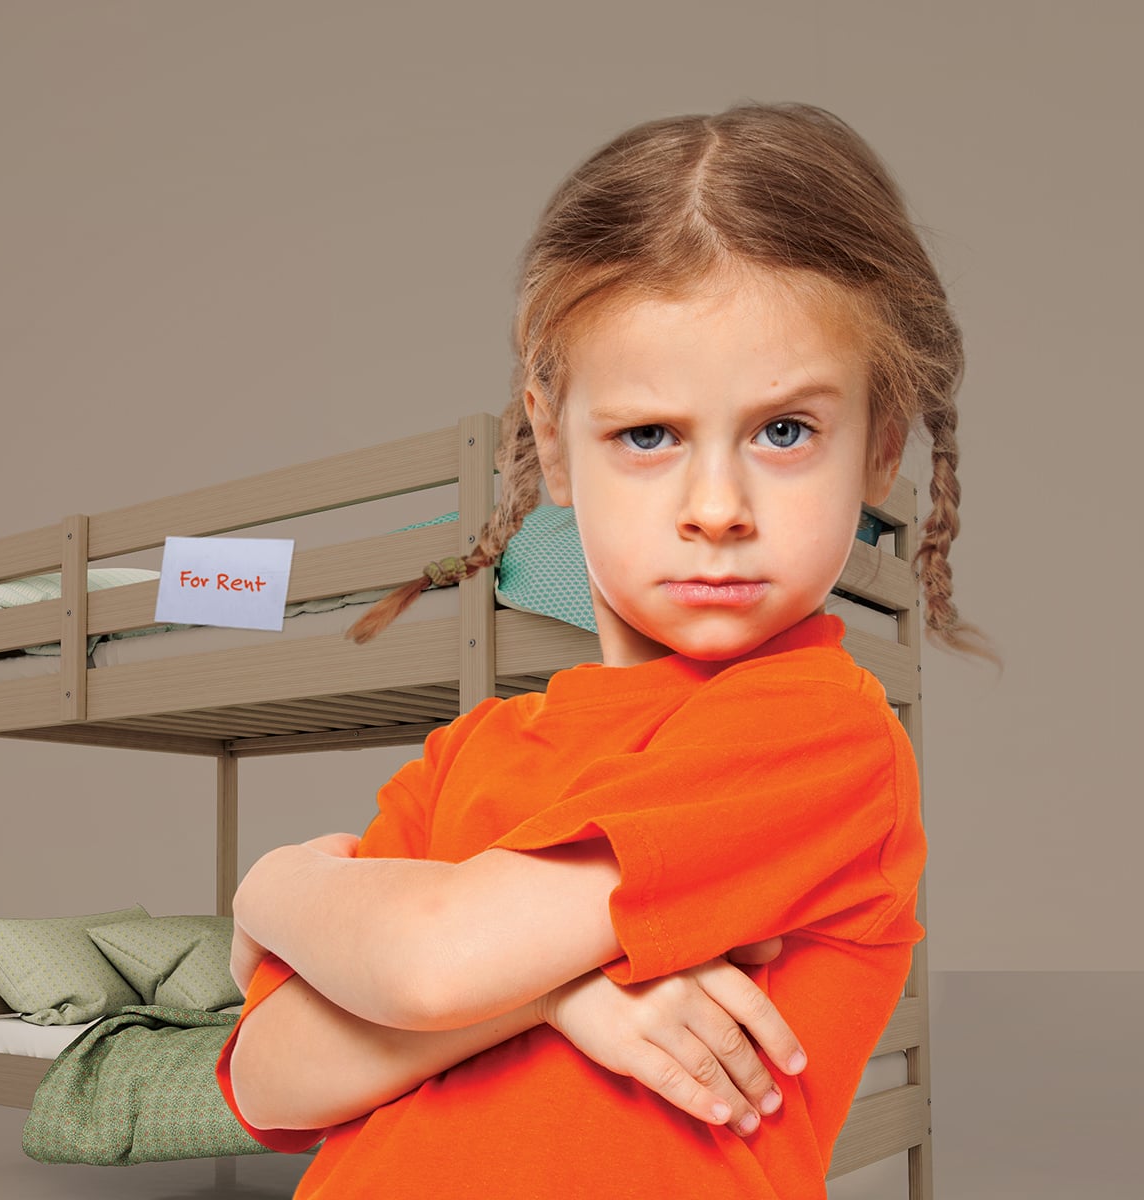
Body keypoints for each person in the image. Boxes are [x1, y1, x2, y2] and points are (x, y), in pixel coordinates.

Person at [215, 101, 1002, 1198]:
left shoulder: (821, 739)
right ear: (554, 442)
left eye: (785, 432)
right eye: (648, 435)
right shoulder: (464, 756)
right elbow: (266, 1079)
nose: (717, 505)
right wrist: (554, 997)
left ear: (878, 446)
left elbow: (429, 958)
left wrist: (273, 890)